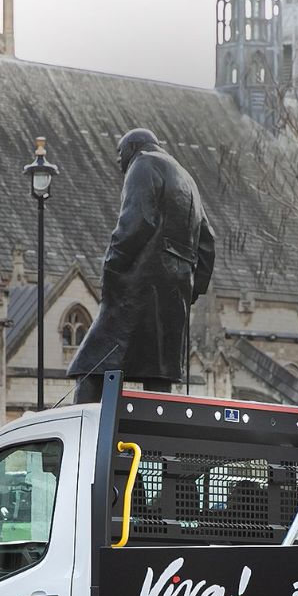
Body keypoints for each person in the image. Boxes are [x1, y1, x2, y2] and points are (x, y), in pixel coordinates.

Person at [69, 128, 217, 403]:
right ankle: (156, 433)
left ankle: (82, 430)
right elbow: (207, 241)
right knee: (157, 370)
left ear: (134, 146)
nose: (118, 161)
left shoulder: (143, 164)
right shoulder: (186, 178)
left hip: (139, 283)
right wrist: (192, 290)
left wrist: (112, 268)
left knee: (91, 362)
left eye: (119, 153)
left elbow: (136, 222)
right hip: (175, 291)